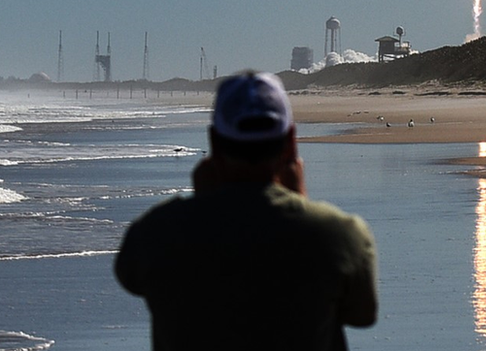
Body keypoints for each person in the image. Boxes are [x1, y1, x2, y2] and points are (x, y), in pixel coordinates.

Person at [116, 71, 377, 351]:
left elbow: (131, 277)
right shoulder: (340, 234)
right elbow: (362, 314)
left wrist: (202, 203)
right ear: (290, 141)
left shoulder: (157, 232)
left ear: (214, 142)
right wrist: (299, 201)